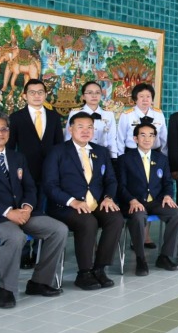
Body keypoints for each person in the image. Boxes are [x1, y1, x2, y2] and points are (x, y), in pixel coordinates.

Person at [0, 112, 67, 308]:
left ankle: (39, 282)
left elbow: (30, 187)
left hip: (24, 214)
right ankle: (7, 289)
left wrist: (27, 207)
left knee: (58, 229)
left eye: (4, 129)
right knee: (16, 237)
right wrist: (9, 212)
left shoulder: (18, 157)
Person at [43, 112, 123, 290]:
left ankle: (99, 268)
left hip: (95, 203)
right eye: (80, 127)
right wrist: (72, 201)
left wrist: (108, 198)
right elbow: (49, 185)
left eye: (90, 127)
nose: (86, 131)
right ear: (70, 129)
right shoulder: (57, 151)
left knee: (116, 218)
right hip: (65, 206)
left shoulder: (100, 151)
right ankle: (84, 272)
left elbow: (111, 180)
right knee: (88, 222)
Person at [6, 78, 64, 268]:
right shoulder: (15, 118)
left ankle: (40, 251)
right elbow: (10, 149)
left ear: (45, 95)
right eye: (32, 92)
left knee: (43, 213)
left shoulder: (54, 117)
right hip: (23, 175)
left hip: (48, 174)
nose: (37, 95)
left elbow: (59, 148)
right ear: (25, 95)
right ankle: (23, 252)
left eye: (40, 92)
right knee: (24, 211)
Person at [117, 123, 178, 276]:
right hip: (134, 202)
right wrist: (131, 200)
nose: (147, 139)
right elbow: (121, 186)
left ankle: (165, 256)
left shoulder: (161, 159)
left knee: (177, 214)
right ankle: (141, 258)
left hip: (156, 201)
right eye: (143, 135)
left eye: (151, 135)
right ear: (135, 138)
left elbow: (167, 182)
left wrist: (168, 195)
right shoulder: (125, 159)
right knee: (139, 217)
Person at [65, 81, 118, 159]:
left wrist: (113, 157)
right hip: (80, 153)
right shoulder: (75, 113)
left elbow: (112, 138)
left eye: (97, 92)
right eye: (90, 93)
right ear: (83, 96)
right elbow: (68, 136)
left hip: (102, 154)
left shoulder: (108, 114)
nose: (94, 95)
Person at [117, 83, 168, 155]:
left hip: (155, 153)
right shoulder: (127, 115)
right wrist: (121, 157)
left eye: (148, 96)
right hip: (132, 153)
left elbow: (164, 137)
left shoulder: (158, 114)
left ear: (152, 99)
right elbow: (120, 139)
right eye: (141, 96)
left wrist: (164, 155)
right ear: (135, 98)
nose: (145, 100)